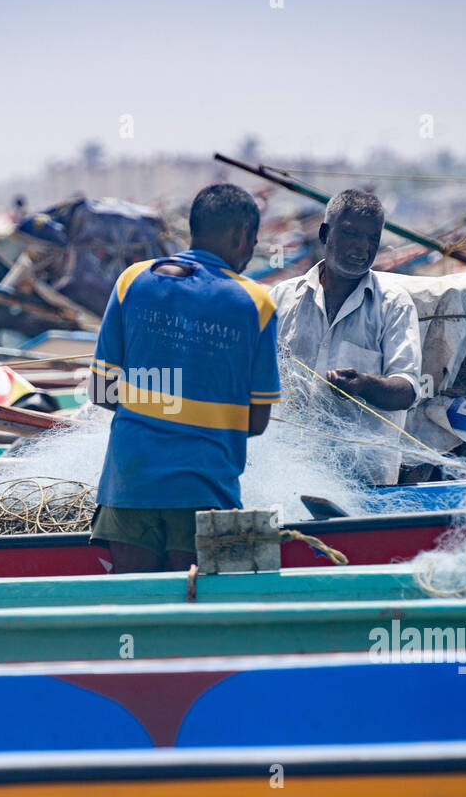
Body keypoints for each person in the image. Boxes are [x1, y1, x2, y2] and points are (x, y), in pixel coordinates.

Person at [89, 183, 281, 572]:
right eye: (254, 240)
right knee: (204, 621)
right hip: (206, 491)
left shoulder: (133, 280)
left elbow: (101, 391)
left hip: (128, 485)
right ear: (242, 234)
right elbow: (256, 422)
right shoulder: (256, 303)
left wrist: (160, 401)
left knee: (137, 612)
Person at [269, 190, 421, 485]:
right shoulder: (282, 299)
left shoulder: (393, 304)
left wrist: (365, 385)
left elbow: (407, 390)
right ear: (325, 233)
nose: (361, 247)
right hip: (288, 476)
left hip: (364, 483)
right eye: (351, 234)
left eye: (372, 239)